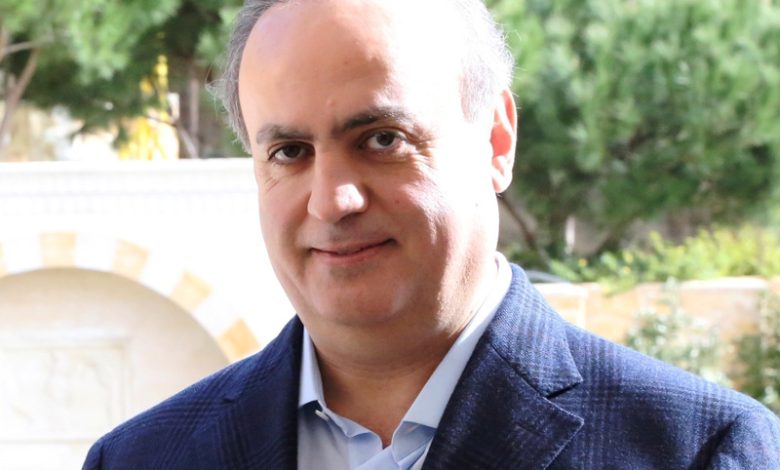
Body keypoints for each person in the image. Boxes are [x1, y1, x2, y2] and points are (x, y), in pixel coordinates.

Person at [83, 0, 780, 468]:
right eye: (290, 152)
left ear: (496, 141)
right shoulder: (139, 460)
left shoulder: (697, 450)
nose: (333, 200)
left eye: (381, 138)